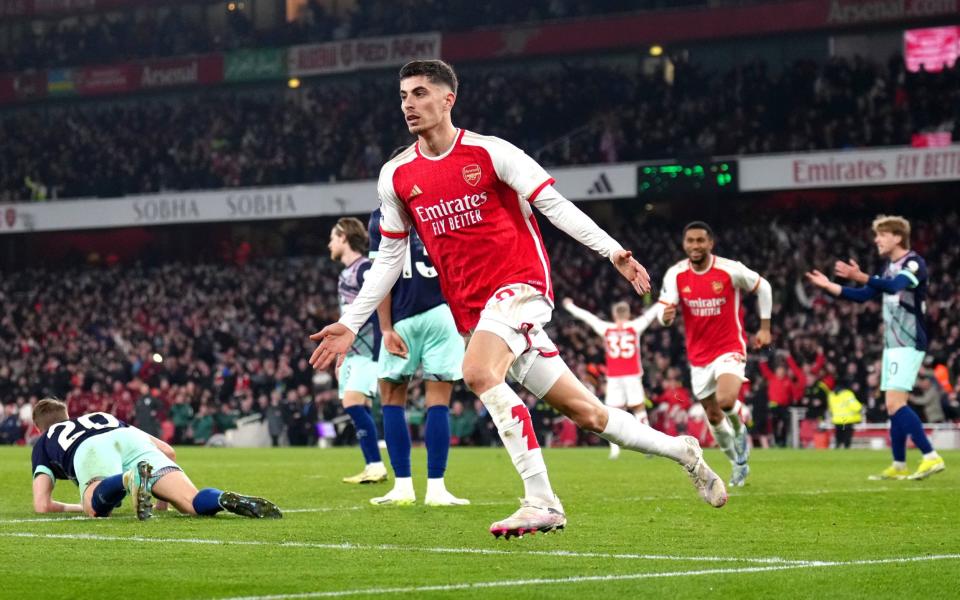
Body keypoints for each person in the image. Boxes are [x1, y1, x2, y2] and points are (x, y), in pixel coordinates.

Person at [310, 59, 727, 539]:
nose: (409, 103)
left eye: (421, 93)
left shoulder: (491, 153)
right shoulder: (397, 176)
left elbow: (554, 205)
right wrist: (353, 321)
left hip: (521, 288)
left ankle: (541, 501)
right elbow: (387, 260)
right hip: (473, 311)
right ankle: (684, 451)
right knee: (590, 415)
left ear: (449, 99)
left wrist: (612, 250)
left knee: (477, 372)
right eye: (403, 95)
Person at [806, 214, 945, 480]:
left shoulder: (914, 263)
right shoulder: (888, 267)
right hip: (893, 344)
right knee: (893, 405)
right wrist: (829, 286)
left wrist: (861, 275)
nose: (877, 240)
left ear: (897, 237)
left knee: (895, 404)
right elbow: (863, 296)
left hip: (909, 341)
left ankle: (930, 455)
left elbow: (894, 287)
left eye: (881, 234)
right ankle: (899, 464)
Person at [657, 221, 773, 487]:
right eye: (690, 241)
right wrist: (665, 318)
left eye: (700, 241)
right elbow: (665, 313)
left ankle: (740, 428)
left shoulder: (729, 270)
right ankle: (737, 463)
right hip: (698, 356)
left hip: (729, 347)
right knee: (712, 416)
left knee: (726, 398)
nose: (695, 246)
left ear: (711, 243)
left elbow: (763, 287)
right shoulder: (675, 274)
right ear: (684, 244)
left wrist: (765, 327)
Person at [30, 398, 281, 520]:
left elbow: (42, 505)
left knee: (94, 507)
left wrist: (80, 505)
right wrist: (162, 497)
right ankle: (221, 498)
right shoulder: (99, 416)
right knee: (190, 503)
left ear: (38, 428)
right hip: (127, 437)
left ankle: (127, 479)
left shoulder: (44, 441)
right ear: (68, 414)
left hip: (90, 449)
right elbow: (168, 451)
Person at [368, 206, 469, 506]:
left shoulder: (381, 215)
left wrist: (385, 327)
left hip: (403, 315)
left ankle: (403, 487)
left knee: (391, 399)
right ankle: (437, 489)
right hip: (443, 314)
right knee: (438, 400)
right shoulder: (440, 205)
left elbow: (381, 277)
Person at [329, 217, 387, 484]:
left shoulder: (364, 268)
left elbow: (379, 306)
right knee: (358, 404)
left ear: (344, 237)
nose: (330, 243)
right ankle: (372, 465)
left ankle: (376, 466)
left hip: (368, 350)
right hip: (353, 352)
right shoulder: (347, 272)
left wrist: (378, 348)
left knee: (352, 403)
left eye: (333, 237)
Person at [562, 298, 658, 459]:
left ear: (614, 314)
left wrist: (570, 305)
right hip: (632, 374)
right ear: (628, 314)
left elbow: (588, 317)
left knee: (612, 412)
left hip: (614, 376)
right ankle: (648, 448)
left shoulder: (606, 328)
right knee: (639, 408)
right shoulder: (635, 326)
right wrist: (663, 301)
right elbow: (651, 313)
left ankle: (614, 450)